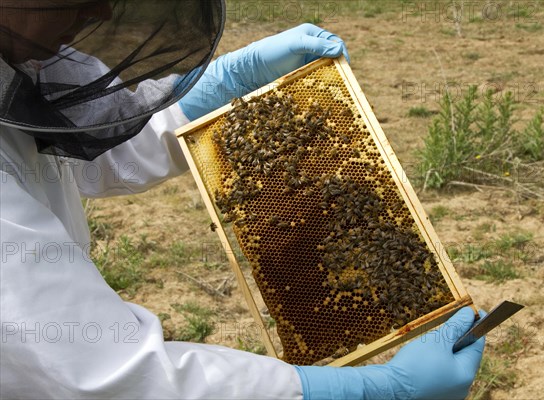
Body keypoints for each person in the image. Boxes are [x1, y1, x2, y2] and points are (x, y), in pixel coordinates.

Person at [0, 1, 486, 398]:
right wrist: (378, 391)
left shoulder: (16, 56)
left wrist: (204, 97)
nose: (101, 13)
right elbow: (105, 377)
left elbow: (79, 142)